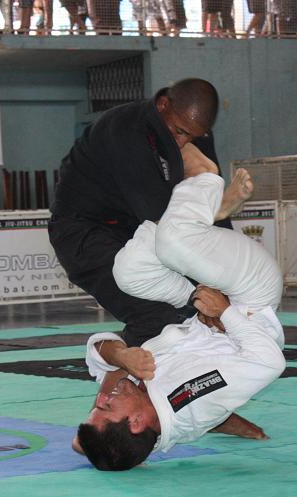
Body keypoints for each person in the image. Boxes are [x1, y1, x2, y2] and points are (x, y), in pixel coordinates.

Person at [74, 154, 285, 471]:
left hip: (203, 305)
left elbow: (97, 347)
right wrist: (225, 312)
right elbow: (269, 361)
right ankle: (205, 180)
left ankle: (204, 218)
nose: (100, 401)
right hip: (251, 298)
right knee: (174, 240)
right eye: (105, 409)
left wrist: (122, 358)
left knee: (129, 272)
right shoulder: (187, 402)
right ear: (136, 422)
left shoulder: (141, 399)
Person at [49, 79, 230, 348]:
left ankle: (157, 380)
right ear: (163, 105)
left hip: (135, 228)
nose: (184, 142)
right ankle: (120, 382)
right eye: (179, 131)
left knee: (213, 305)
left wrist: (225, 279)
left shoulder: (194, 131)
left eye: (194, 136)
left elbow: (209, 199)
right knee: (156, 313)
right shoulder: (124, 129)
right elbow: (163, 218)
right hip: (84, 232)